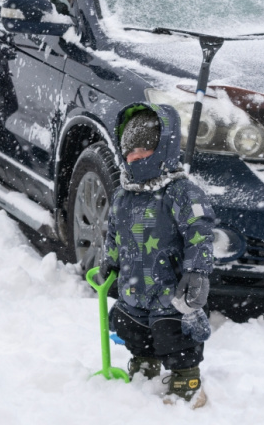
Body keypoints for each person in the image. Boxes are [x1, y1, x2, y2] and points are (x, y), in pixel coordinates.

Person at [100, 103, 215, 408]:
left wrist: (197, 271)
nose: (134, 157)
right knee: (131, 325)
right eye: (129, 152)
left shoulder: (181, 192)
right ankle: (145, 365)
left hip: (171, 287)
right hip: (135, 284)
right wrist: (109, 260)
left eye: (144, 150)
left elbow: (199, 232)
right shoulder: (122, 196)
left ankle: (186, 380)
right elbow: (115, 233)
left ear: (163, 149)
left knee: (174, 332)